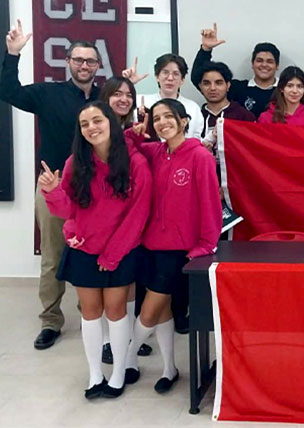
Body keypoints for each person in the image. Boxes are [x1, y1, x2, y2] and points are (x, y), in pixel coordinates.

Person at [38, 101, 152, 399]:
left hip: (120, 252)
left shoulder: (135, 162)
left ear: (111, 123)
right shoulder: (76, 163)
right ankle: (95, 373)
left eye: (97, 120)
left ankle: (117, 374)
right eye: (85, 124)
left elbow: (138, 215)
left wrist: (112, 255)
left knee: (116, 311)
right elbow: (68, 210)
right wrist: (52, 191)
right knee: (90, 313)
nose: (92, 128)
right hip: (84, 251)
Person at [0, 20, 101, 350]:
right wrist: (12, 55)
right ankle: (50, 321)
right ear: (68, 62)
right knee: (53, 258)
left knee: (95, 255)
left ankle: (92, 315)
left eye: (90, 61)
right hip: (54, 188)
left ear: (98, 65)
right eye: (78, 60)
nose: (84, 65)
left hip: (97, 193)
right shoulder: (47, 93)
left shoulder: (106, 98)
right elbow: (7, 91)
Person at [124, 98, 222, 394]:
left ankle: (125, 360)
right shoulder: (155, 152)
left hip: (178, 248)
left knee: (150, 310)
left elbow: (210, 203)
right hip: (150, 243)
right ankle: (169, 369)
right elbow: (126, 144)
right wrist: (135, 129)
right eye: (156, 119)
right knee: (163, 309)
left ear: (184, 121)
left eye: (169, 117)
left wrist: (207, 243)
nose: (162, 123)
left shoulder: (199, 156)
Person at [97, 76, 154, 363]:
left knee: (128, 282)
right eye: (117, 94)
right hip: (103, 219)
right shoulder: (96, 127)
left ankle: (127, 335)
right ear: (105, 97)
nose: (123, 99)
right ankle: (107, 341)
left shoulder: (133, 130)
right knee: (106, 284)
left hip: (131, 218)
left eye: (128, 95)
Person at [191, 23, 279, 117]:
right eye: (259, 60)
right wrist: (206, 49)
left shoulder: (286, 90)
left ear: (277, 66)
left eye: (269, 61)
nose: (264, 65)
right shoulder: (236, 89)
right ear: (252, 64)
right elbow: (198, 78)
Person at [196, 61, 255, 160]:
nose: (212, 88)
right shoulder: (195, 117)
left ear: (228, 86)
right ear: (200, 87)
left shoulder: (244, 117)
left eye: (218, 83)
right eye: (206, 83)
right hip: (203, 173)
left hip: (235, 174)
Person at [137, 53, 204, 139]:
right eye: (165, 72)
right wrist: (130, 83)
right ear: (157, 76)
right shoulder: (141, 101)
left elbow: (196, 138)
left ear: (182, 80)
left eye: (176, 74)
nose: (170, 78)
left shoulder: (193, 108)